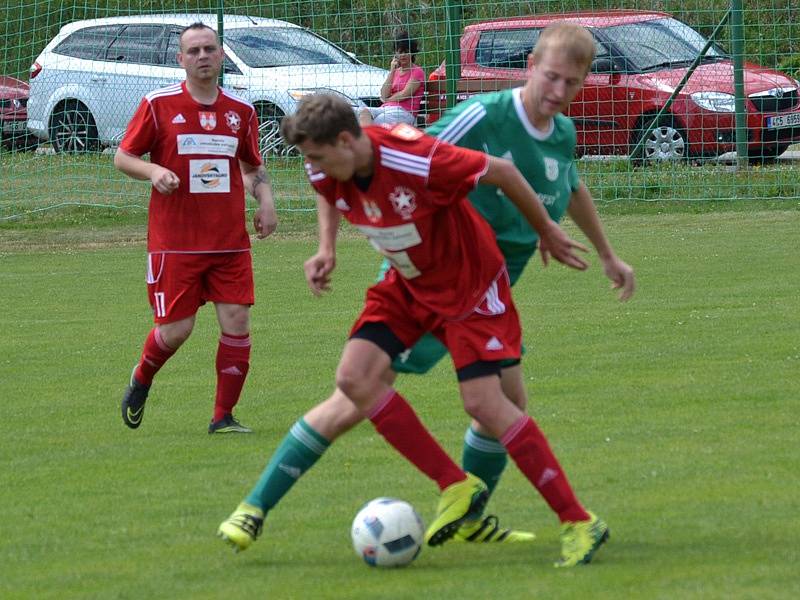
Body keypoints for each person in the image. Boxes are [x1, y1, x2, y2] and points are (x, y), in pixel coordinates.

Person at [218, 89, 609, 568]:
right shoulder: (323, 161)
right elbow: (327, 190)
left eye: (318, 156)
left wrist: (547, 230)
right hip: (408, 283)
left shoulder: (417, 158)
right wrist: (327, 248)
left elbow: (503, 172)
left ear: (346, 140)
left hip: (469, 285)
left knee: (488, 403)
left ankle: (577, 519)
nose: (313, 167)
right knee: (354, 379)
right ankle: (454, 484)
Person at [114, 23, 277, 434]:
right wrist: (153, 170)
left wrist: (267, 201)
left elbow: (252, 165)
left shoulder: (243, 112)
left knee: (237, 321)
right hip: (176, 242)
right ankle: (142, 378)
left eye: (209, 49)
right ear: (181, 59)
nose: (203, 56)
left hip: (229, 242)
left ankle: (223, 417)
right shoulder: (158, 104)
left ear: (221, 56)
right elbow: (123, 156)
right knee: (175, 331)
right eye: (194, 51)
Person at [359, 30, 425, 127]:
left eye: (406, 52)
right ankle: (368, 140)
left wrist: (387, 100)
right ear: (395, 54)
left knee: (378, 121)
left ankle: (369, 140)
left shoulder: (417, 71)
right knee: (364, 112)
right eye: (400, 52)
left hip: (404, 112)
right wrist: (392, 71)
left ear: (412, 53)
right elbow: (384, 93)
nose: (403, 55)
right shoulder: (396, 72)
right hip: (386, 109)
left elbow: (404, 94)